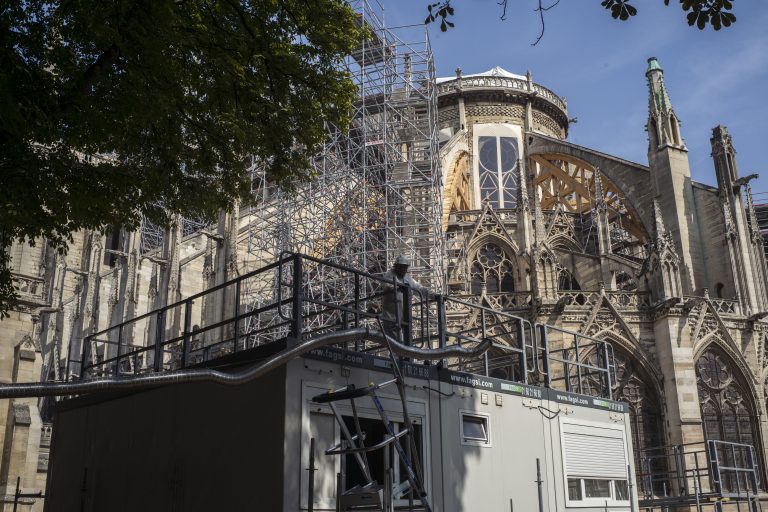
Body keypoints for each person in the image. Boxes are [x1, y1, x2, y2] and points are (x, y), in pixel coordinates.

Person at [378, 255, 434, 344]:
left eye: (405, 267)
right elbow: (387, 285)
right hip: (391, 317)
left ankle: (405, 354)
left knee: (405, 341)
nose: (403, 269)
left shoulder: (407, 278)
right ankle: (397, 357)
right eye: (401, 267)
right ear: (396, 266)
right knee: (395, 343)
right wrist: (398, 287)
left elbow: (419, 288)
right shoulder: (389, 275)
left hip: (405, 316)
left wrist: (434, 295)